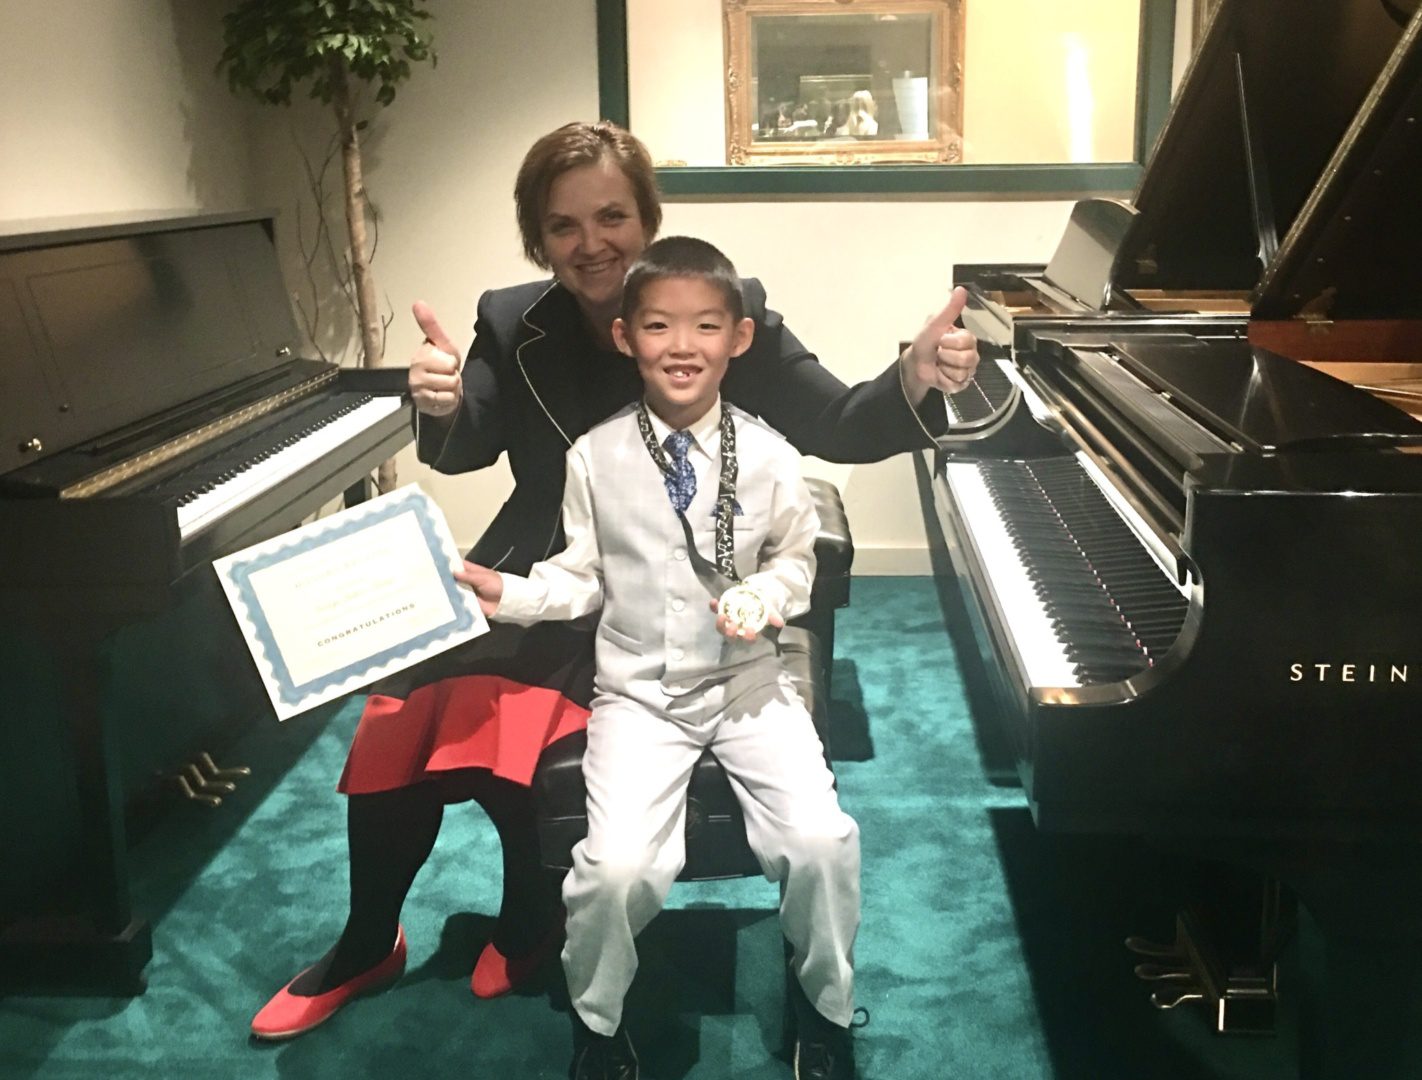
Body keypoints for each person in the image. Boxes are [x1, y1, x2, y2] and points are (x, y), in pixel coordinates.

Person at [250, 119, 978, 1040]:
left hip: (676, 600)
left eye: (612, 217)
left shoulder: (714, 303)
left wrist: (915, 377)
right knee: (401, 706)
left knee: (534, 722)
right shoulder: (513, 320)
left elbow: (833, 417)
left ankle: (528, 923)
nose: (591, 243)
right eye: (564, 226)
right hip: (548, 567)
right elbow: (469, 436)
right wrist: (436, 400)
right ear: (537, 236)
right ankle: (367, 940)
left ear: (646, 219)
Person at [458, 235, 861, 1080]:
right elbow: (579, 580)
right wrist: (511, 596)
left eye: (706, 327)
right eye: (659, 327)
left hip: (752, 685)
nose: (682, 347)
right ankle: (599, 1028)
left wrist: (775, 594)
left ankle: (823, 1010)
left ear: (739, 339)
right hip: (639, 698)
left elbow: (797, 558)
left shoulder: (773, 456)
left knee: (823, 842)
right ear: (626, 338)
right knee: (616, 871)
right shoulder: (593, 458)